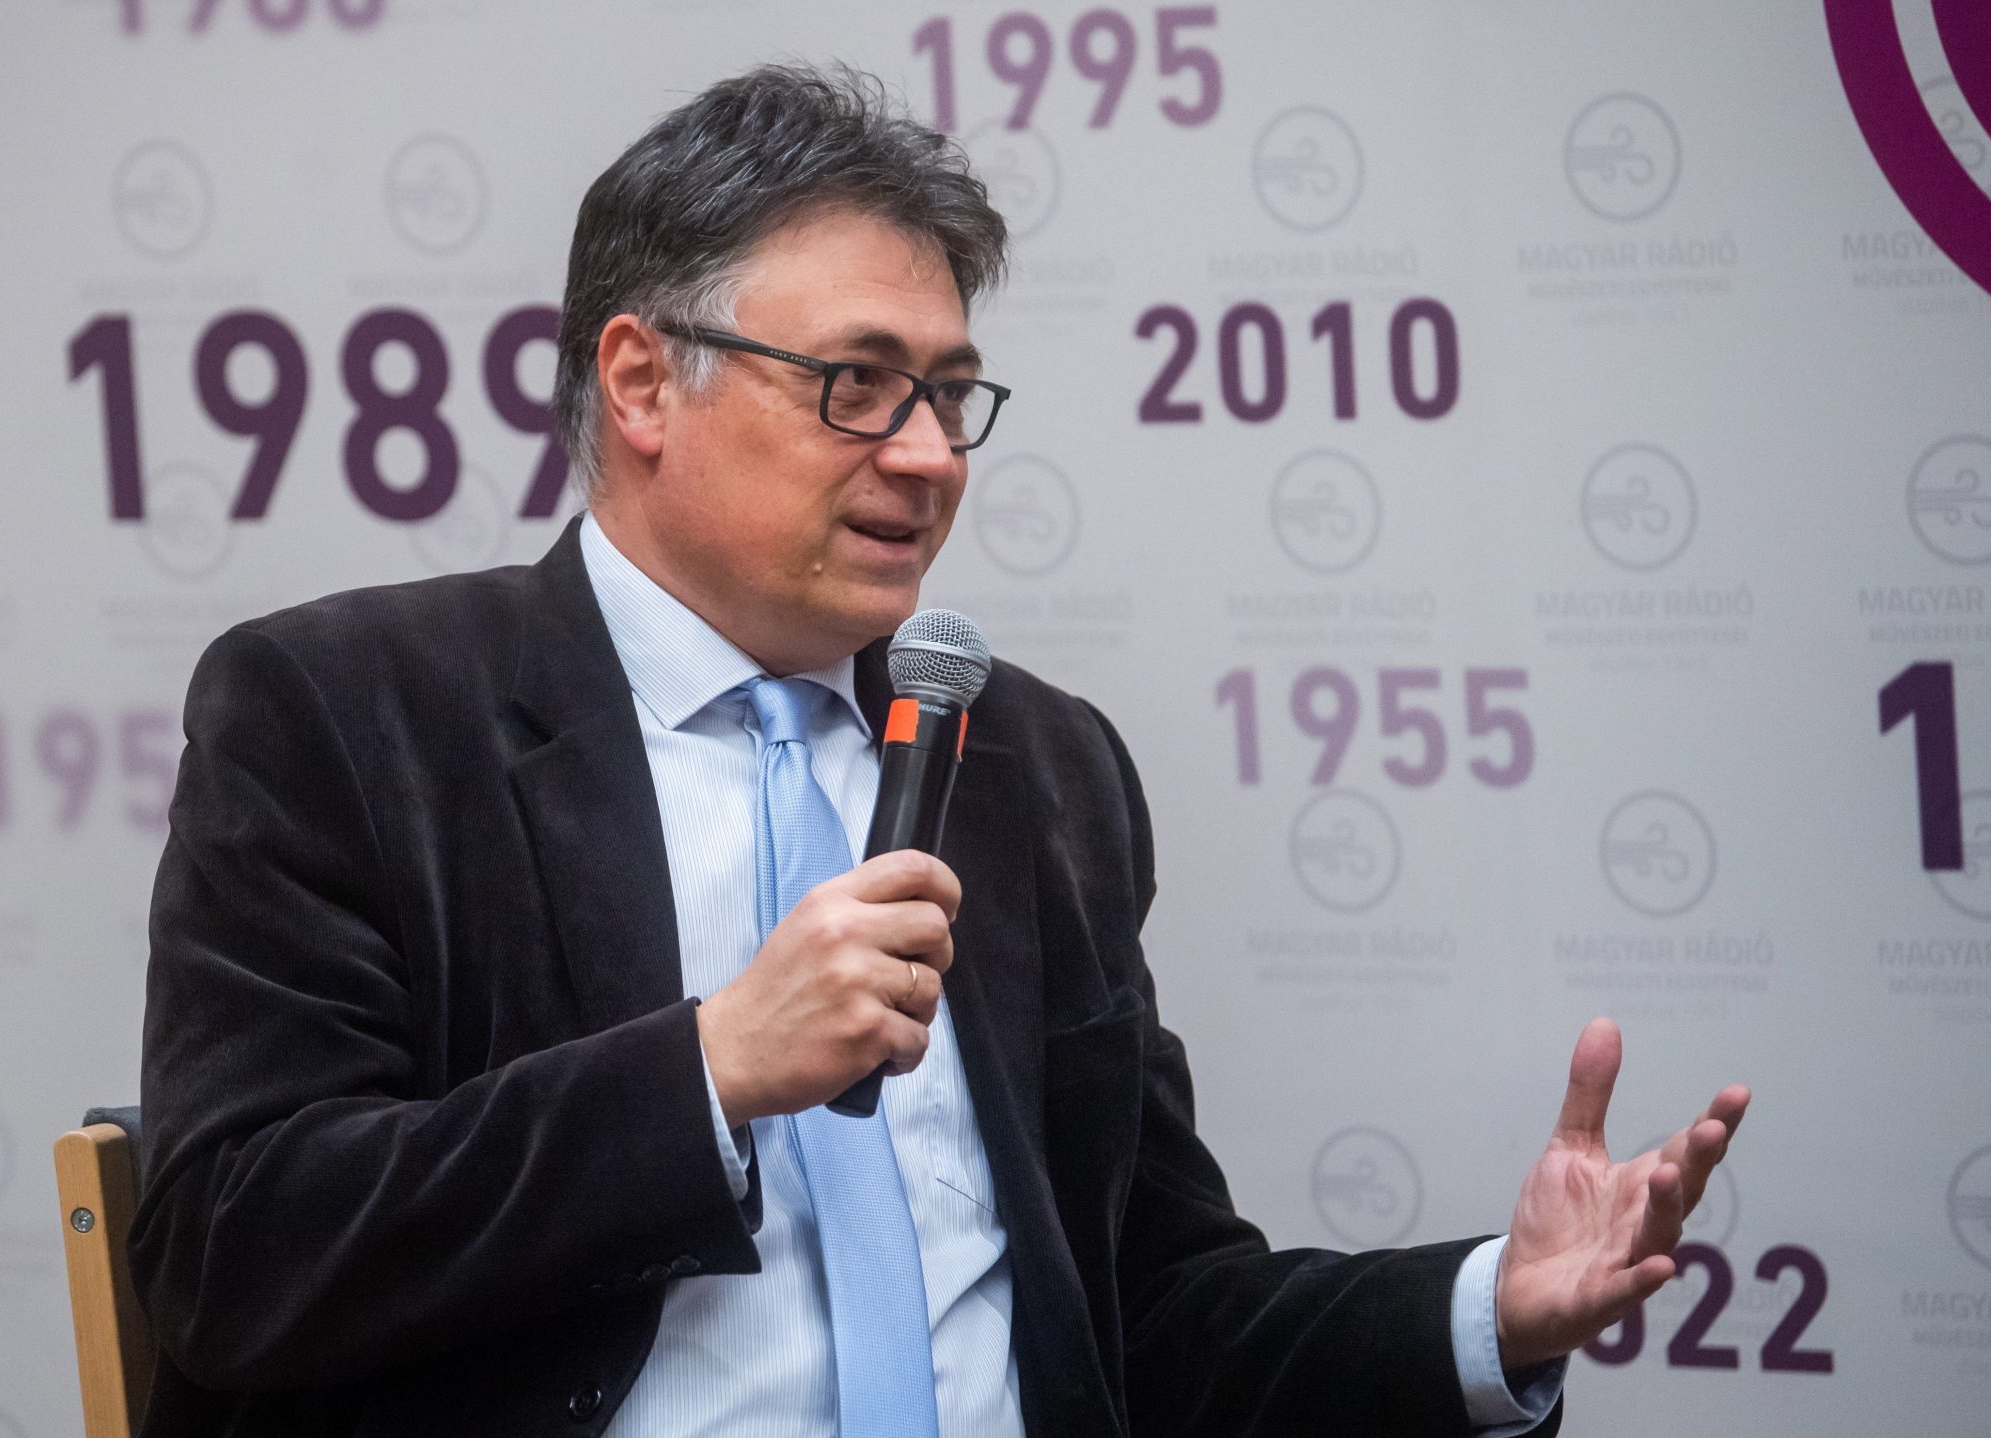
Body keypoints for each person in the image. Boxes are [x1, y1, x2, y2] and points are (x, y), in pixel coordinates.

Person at [130, 62, 1748, 1437]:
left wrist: (1489, 1312)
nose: (926, 457)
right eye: (857, 385)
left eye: (950, 396)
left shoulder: (1034, 761)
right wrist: (709, 1069)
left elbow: (1146, 1305)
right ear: (641, 382)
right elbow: (232, 1252)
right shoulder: (346, 717)